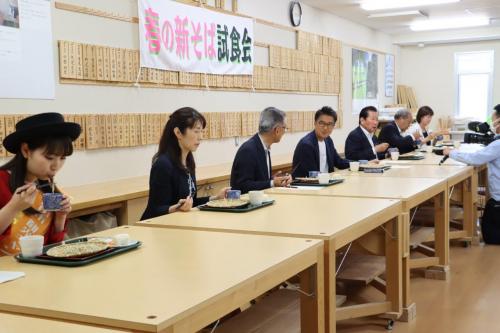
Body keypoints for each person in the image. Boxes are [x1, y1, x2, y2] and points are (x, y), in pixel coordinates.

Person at [0, 112, 80, 256]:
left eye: (62, 158)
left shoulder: (48, 186)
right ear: (26, 150)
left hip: (38, 268)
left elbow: (53, 246)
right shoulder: (2, 181)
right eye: (49, 157)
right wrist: (13, 207)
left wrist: (60, 218)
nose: (56, 165)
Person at [141, 107, 229, 220]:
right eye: (196, 131)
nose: (200, 137)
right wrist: (176, 208)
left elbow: (192, 202)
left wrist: (216, 198)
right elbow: (155, 210)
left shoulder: (188, 161)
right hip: (160, 227)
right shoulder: (163, 165)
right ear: (178, 133)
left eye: (201, 131)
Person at [443, 105, 500, 244]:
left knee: (490, 236)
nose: (492, 125)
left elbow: (474, 159)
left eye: (493, 121)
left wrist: (451, 153)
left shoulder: (497, 145)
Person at [230, 107, 292, 193]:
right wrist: (271, 183)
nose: (285, 131)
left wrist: (272, 179)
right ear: (277, 130)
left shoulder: (263, 146)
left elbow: (256, 180)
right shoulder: (248, 150)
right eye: (285, 128)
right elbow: (242, 186)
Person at [292, 106, 349, 178]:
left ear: (333, 126)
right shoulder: (306, 145)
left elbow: (339, 162)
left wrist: (358, 164)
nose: (325, 128)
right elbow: (312, 174)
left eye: (329, 124)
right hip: (308, 186)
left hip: (324, 182)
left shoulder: (328, 140)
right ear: (315, 123)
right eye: (322, 123)